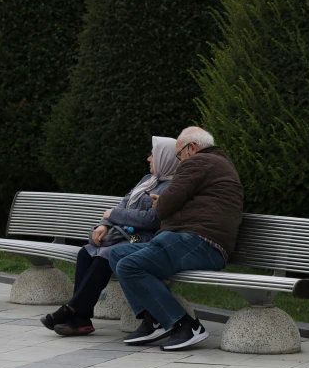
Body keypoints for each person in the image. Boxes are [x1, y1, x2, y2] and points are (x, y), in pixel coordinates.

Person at [108, 126, 244, 351]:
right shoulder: (215, 164)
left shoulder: (198, 162)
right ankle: (153, 320)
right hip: (191, 242)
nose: (179, 161)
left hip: (201, 243)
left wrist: (158, 202)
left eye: (178, 155)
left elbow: (165, 206)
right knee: (118, 253)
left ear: (192, 148)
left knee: (130, 265)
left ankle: (186, 326)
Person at [40, 136, 179, 336]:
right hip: (122, 235)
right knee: (86, 253)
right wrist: (105, 224)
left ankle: (71, 309)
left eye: (153, 155)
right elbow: (123, 203)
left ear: (166, 158)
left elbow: (152, 220)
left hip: (142, 240)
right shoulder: (147, 181)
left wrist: (112, 215)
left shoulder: (171, 187)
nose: (148, 159)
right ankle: (81, 318)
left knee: (103, 257)